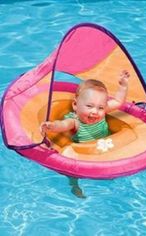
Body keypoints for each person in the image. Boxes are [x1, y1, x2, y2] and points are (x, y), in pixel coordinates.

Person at [40, 70, 130, 198]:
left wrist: (123, 86)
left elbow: (118, 101)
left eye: (100, 107)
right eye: (89, 106)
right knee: (71, 169)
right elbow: (63, 125)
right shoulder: (75, 121)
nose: (95, 112)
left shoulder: (102, 112)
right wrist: (51, 126)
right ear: (76, 105)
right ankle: (74, 184)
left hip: (105, 148)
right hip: (86, 155)